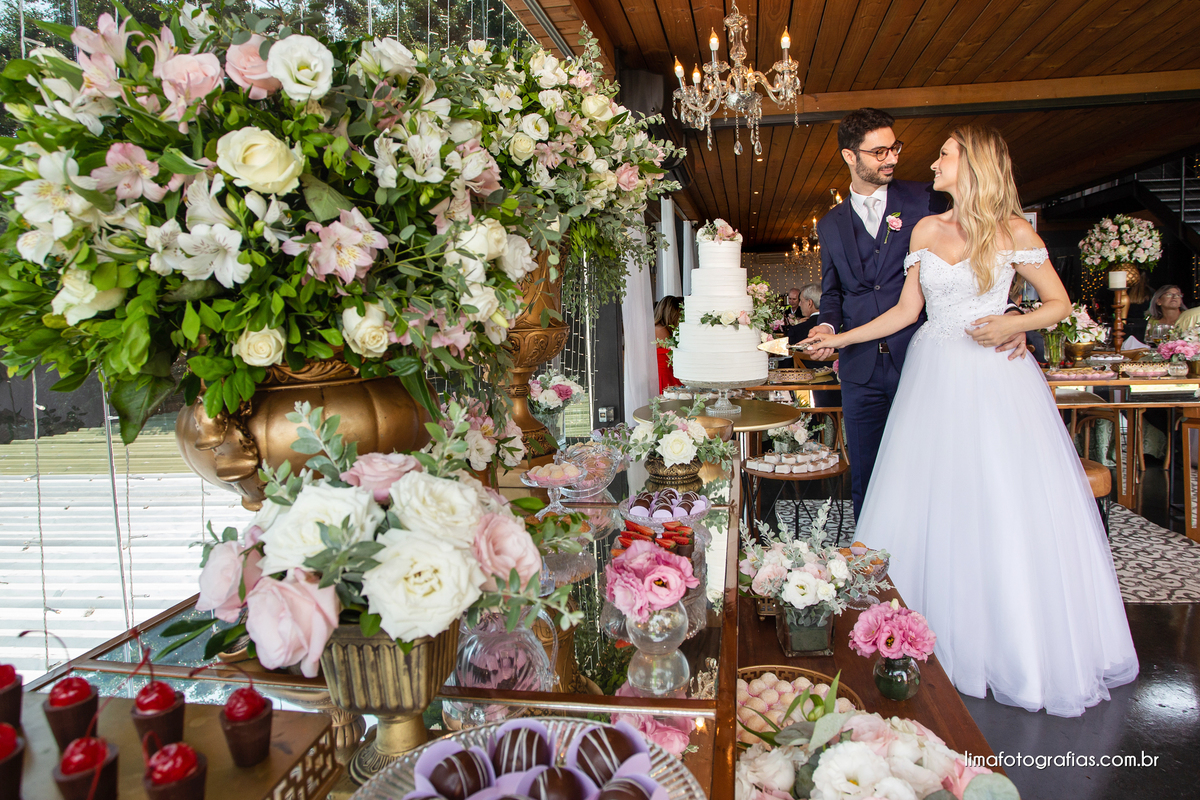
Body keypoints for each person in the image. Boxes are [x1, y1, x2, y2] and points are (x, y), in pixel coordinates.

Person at [802, 125, 1138, 717]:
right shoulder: (928, 229)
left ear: (974, 164)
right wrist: (838, 340)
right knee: (929, 499)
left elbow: (1059, 305)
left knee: (999, 501)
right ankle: (909, 637)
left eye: (945, 154)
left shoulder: (1014, 232)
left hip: (995, 381)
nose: (932, 162)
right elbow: (905, 311)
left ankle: (1007, 643)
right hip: (932, 375)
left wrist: (1015, 324)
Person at [806, 108, 1026, 517]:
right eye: (878, 152)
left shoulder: (927, 198)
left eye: (894, 147)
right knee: (868, 474)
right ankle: (868, 568)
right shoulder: (830, 224)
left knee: (930, 468)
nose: (891, 158)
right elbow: (833, 291)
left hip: (925, 361)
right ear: (850, 157)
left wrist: (1010, 312)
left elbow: (984, 251)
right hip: (859, 368)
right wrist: (825, 326)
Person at [654, 295, 683, 393]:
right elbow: (673, 355)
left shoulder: (656, 327)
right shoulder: (660, 330)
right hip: (666, 376)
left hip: (665, 374)